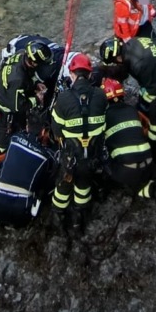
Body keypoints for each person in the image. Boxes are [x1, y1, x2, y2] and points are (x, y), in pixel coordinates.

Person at [49, 52, 107, 232]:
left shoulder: (63, 98)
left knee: (63, 185)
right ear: (90, 75)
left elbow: (56, 131)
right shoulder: (101, 95)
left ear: (72, 75)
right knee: (84, 185)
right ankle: (79, 217)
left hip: (70, 157)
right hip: (91, 157)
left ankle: (58, 215)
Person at [99, 31, 156, 147]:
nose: (114, 65)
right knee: (145, 96)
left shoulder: (140, 63)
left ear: (118, 58)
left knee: (155, 106)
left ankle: (154, 142)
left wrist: (143, 105)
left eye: (113, 63)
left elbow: (154, 89)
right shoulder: (130, 45)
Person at [0, 42, 53, 157]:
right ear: (33, 62)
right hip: (6, 113)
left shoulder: (21, 55)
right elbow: (18, 106)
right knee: (2, 144)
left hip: (9, 93)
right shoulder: (17, 79)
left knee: (21, 131)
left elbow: (27, 78)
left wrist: (35, 84)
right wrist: (37, 99)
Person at [100, 77, 156, 200]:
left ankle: (106, 188)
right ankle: (145, 187)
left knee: (101, 154)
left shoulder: (104, 116)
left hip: (126, 173)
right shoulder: (132, 110)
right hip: (149, 165)